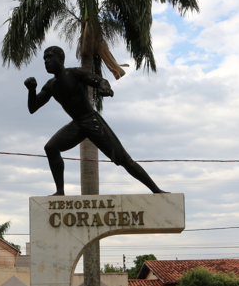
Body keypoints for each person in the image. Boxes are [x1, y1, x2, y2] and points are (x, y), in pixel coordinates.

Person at [25, 46, 166, 196]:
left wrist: (105, 88)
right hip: (77, 124)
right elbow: (33, 107)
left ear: (61, 59)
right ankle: (60, 191)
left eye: (50, 57)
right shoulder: (50, 85)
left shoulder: (75, 73)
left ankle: (156, 190)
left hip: (91, 120)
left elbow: (100, 81)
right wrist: (31, 90)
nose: (46, 61)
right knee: (51, 148)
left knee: (123, 159)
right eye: (44, 59)